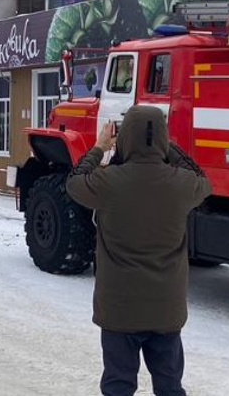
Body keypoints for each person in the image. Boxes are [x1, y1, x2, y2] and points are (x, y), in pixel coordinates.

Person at [66, 106, 210, 396]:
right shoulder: (181, 185)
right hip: (165, 310)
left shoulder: (108, 183)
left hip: (119, 311)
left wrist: (98, 147)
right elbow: (202, 179)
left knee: (118, 386)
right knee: (170, 387)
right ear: (163, 138)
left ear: (124, 137)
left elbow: (74, 182)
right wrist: (165, 145)